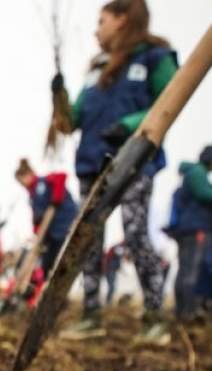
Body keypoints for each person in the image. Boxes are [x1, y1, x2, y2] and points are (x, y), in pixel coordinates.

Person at [53, 0, 177, 344]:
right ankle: (91, 315)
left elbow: (169, 101)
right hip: (92, 163)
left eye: (102, 20)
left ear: (122, 20)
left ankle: (155, 316)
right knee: (88, 241)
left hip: (134, 160)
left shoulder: (154, 57)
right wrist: (58, 95)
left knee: (135, 233)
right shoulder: (97, 67)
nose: (97, 28)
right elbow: (70, 121)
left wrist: (129, 126)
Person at [164, 145, 212, 322]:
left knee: (185, 269)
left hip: (187, 229)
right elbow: (204, 195)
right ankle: (187, 312)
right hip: (195, 229)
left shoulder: (192, 174)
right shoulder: (198, 173)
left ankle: (183, 310)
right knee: (192, 270)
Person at [14, 160, 78, 281]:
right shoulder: (32, 197)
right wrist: (36, 232)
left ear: (28, 173)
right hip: (51, 235)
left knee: (62, 261)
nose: (22, 184)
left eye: (22, 179)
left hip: (64, 225)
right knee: (47, 264)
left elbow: (61, 176)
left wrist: (56, 198)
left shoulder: (44, 182)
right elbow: (38, 220)